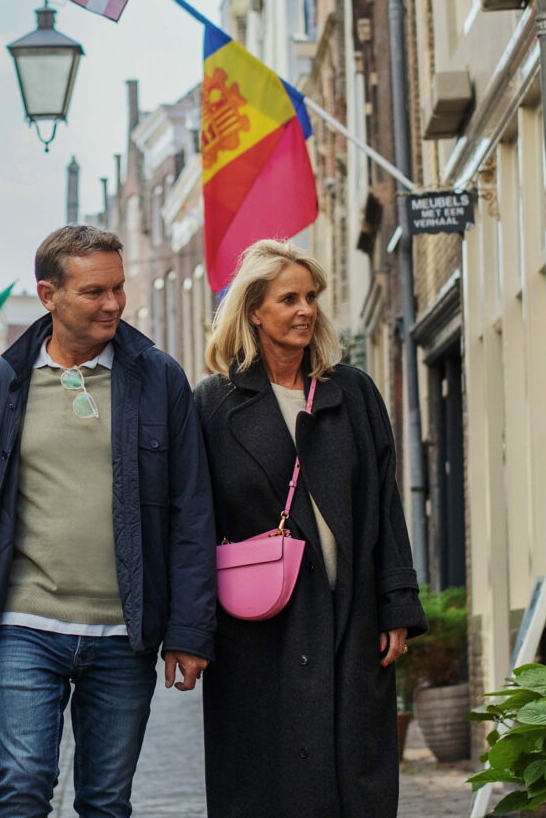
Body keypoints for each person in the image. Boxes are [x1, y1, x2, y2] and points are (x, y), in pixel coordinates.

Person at [0, 225, 216, 818]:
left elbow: (193, 513)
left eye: (118, 288)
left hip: (125, 633)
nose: (112, 304)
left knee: (107, 800)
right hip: (26, 625)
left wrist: (188, 632)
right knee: (23, 784)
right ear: (49, 295)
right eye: (93, 292)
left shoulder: (159, 380)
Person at [193, 239, 426, 818]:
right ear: (253, 309)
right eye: (288, 298)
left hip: (350, 613)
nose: (305, 310)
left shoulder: (353, 393)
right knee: (265, 780)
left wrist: (396, 603)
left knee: (357, 776)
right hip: (258, 625)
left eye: (311, 298)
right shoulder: (213, 405)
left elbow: (384, 504)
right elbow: (193, 522)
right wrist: (191, 630)